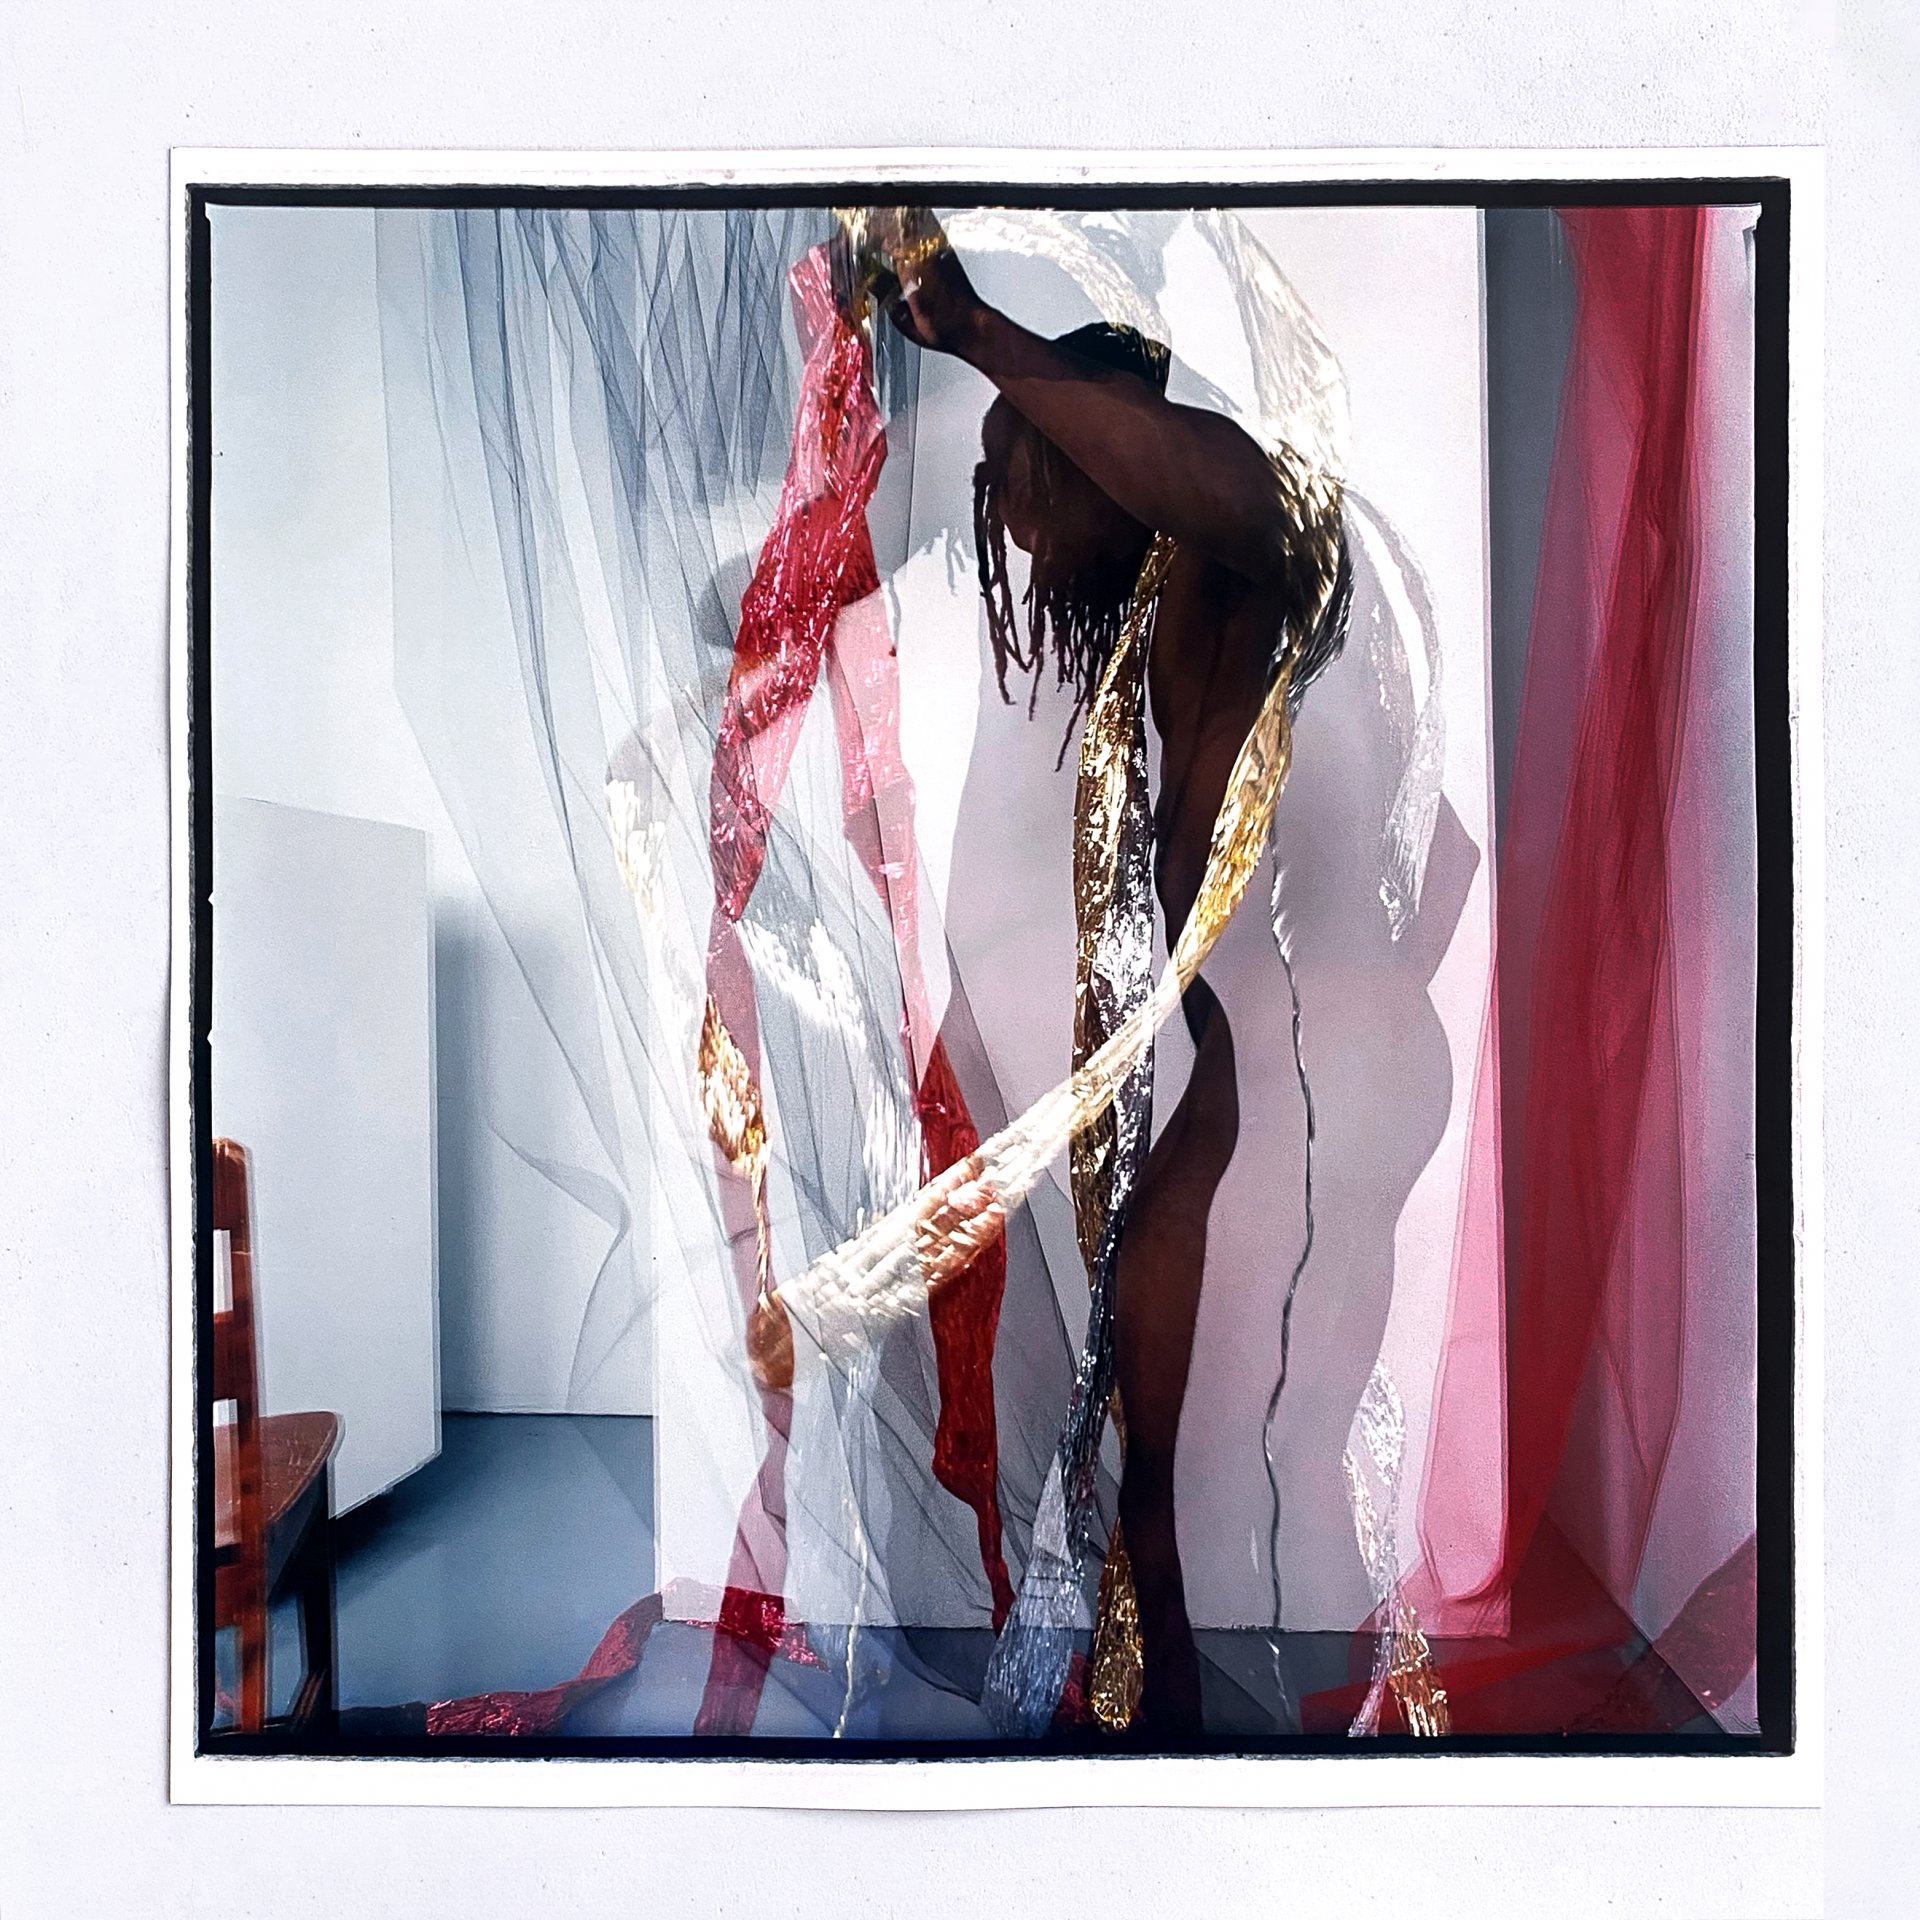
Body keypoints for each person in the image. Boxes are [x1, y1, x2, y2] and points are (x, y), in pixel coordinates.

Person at [850, 207, 1348, 1733]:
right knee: (1120, 1472)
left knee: (1152, 1489)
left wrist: (977, 333)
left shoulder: (1234, 541)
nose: (1009, 529)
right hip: (1196, 1062)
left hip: (1252, 1064)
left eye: (1024, 479)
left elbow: (1239, 492)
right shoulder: (1147, 621)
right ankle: (1146, 1680)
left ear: (1095, 446)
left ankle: (1169, 1691)